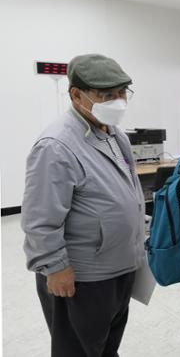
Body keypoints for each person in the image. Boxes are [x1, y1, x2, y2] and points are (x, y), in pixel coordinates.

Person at [21, 54, 144, 357]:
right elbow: (40, 220)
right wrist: (54, 267)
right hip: (82, 278)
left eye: (121, 93)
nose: (118, 101)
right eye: (106, 95)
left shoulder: (114, 134)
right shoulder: (56, 145)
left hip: (120, 268)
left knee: (106, 344)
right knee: (77, 350)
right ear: (76, 94)